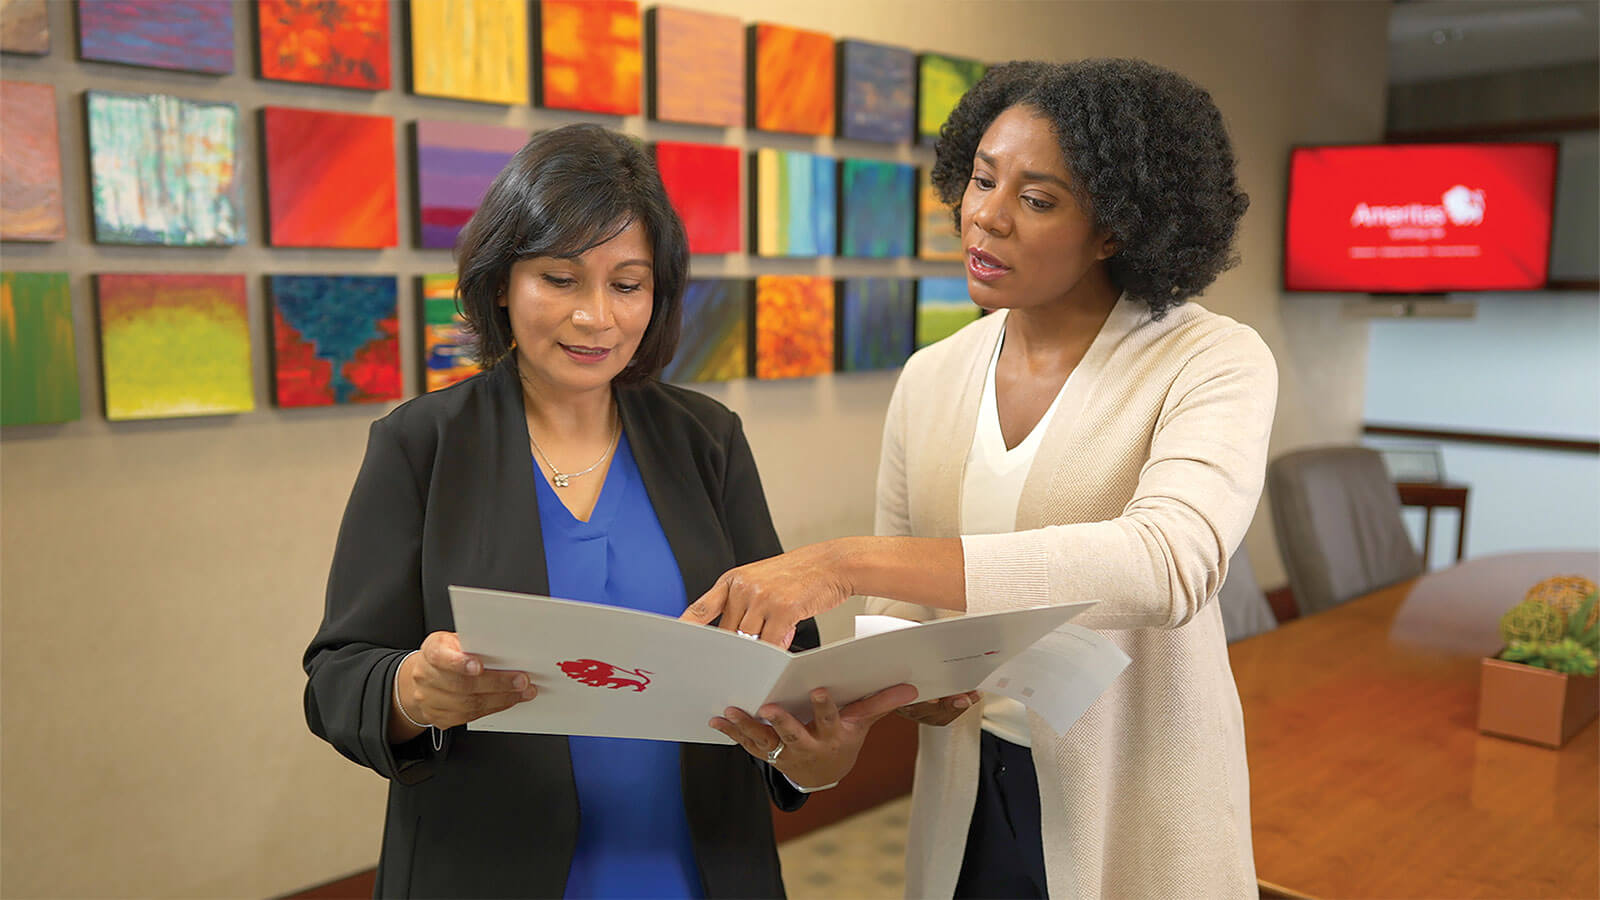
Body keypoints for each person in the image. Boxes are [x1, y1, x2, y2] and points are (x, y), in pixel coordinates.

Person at [683, 59, 1277, 898]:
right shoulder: (933, 375)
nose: (985, 217)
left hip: (1129, 800)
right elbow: (904, 613)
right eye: (981, 179)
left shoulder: (1209, 360)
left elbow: (1170, 564)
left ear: (1115, 227)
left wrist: (845, 564)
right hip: (970, 794)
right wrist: (874, 708)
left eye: (1036, 200)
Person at [303, 123, 913, 899]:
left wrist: (815, 760)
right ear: (501, 283)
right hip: (486, 870)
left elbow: (788, 668)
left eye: (626, 284)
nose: (597, 317)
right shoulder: (420, 444)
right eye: (561, 279)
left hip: (696, 868)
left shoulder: (707, 440)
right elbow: (337, 676)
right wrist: (410, 692)